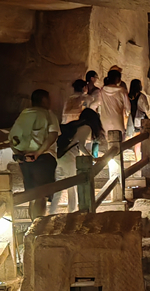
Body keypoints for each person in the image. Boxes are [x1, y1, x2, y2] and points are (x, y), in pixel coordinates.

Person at [9, 89, 60, 219]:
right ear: (44, 100)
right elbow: (52, 136)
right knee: (41, 195)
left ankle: (32, 224)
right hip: (43, 158)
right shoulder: (48, 114)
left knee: (32, 195)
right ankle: (38, 228)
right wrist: (37, 153)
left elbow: (13, 137)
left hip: (24, 158)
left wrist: (19, 154)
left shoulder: (24, 114)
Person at [51, 109, 102, 213]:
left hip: (60, 156)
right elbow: (81, 146)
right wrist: (92, 159)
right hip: (69, 158)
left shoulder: (75, 125)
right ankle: (72, 211)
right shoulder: (87, 127)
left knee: (58, 187)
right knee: (72, 186)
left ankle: (52, 211)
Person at [95, 70, 130, 144]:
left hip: (105, 122)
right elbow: (128, 108)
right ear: (118, 79)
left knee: (108, 143)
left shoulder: (102, 90)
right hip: (118, 121)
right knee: (119, 143)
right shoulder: (122, 91)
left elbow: (97, 104)